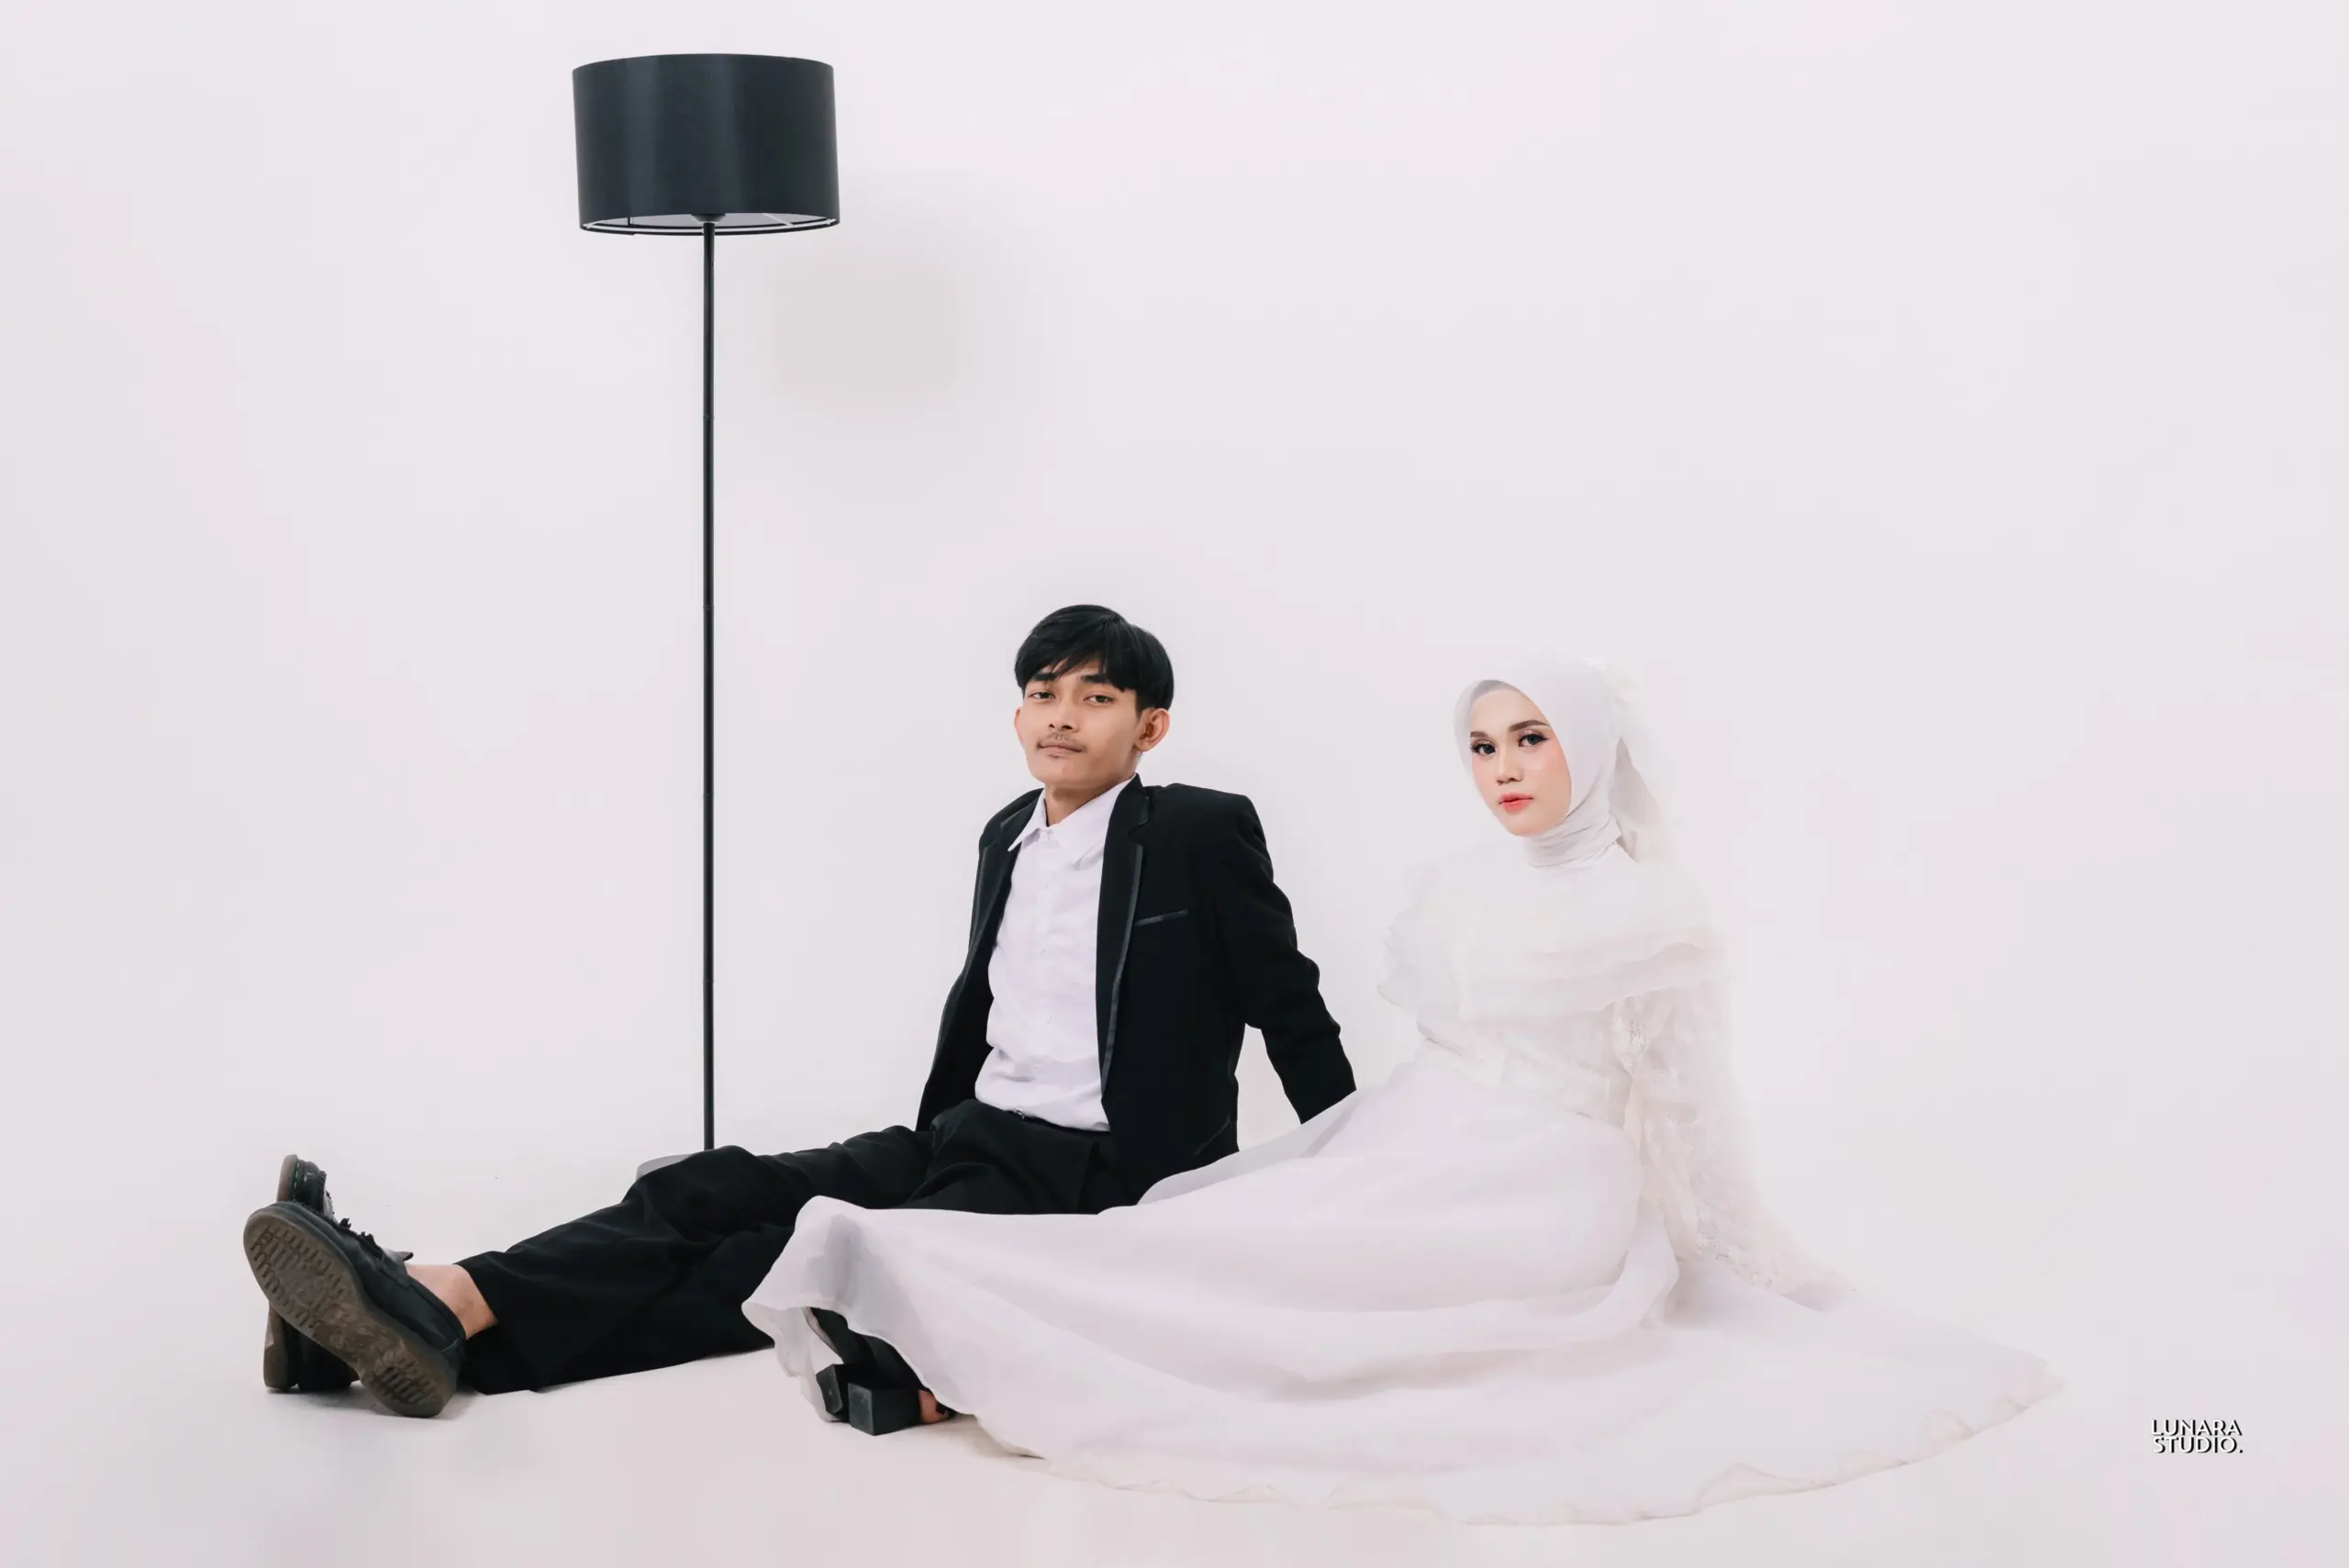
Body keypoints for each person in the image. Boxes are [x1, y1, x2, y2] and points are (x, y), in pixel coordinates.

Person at [739, 658, 2064, 1522]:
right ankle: (946, 1323)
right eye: (1483, 744)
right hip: (1430, 1125)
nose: (1504, 768)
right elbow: (1422, 1059)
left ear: (1590, 746)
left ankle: (965, 1362)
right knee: (1220, 1227)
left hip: (1550, 1180)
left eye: (1531, 738)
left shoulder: (1650, 913)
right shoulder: (1467, 885)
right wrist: (1349, 1138)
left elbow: (1689, 1113)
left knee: (1336, 1282)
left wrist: (1749, 1265)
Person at [240, 605, 1357, 1421]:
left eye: (1095, 698)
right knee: (700, 1187)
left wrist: (1357, 1166)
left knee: (784, 1258)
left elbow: (1290, 1006)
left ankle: (416, 1314)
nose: (1060, 717)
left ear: (1149, 728)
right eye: (1042, 691)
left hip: (1086, 1172)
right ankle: (431, 1307)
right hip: (963, 1134)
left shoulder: (1197, 830)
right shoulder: (1006, 833)